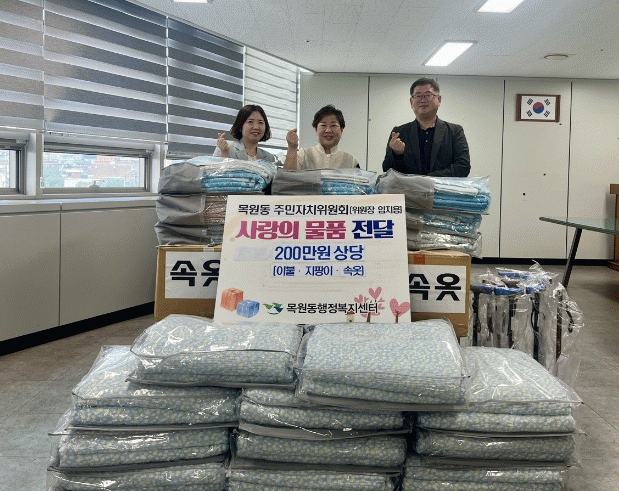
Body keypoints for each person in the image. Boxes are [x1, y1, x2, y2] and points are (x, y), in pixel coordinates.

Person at [382, 78, 470, 177]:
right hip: (408, 187)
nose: (423, 100)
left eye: (428, 95)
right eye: (418, 96)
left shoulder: (454, 131)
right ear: (411, 102)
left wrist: (428, 179)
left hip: (441, 187)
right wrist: (396, 154)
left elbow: (463, 167)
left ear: (439, 99)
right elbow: (387, 170)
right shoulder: (399, 133)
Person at [284, 105, 360, 170]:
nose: (328, 130)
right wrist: (292, 148)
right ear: (316, 129)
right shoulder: (303, 155)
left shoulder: (351, 161)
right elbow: (288, 178)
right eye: (323, 125)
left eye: (333, 125)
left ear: (341, 130)